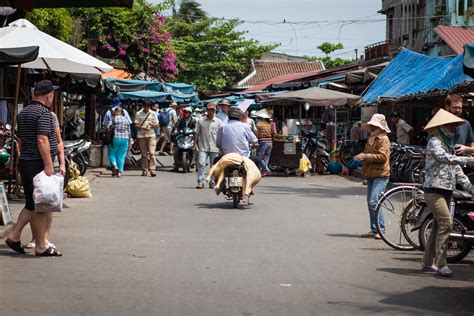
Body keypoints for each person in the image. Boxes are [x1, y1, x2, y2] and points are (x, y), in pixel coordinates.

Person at [5, 80, 62, 256]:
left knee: (31, 203)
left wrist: (20, 160)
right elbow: (42, 139)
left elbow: (20, 140)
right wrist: (48, 165)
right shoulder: (44, 113)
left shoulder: (23, 113)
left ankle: (14, 236)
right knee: (40, 205)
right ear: (49, 95)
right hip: (38, 163)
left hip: (26, 162)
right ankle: (41, 246)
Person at [421, 109, 474, 277]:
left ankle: (427, 263)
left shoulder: (449, 145)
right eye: (451, 126)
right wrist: (468, 158)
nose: (454, 129)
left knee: (438, 227)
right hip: (433, 190)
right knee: (446, 224)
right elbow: (444, 158)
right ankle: (441, 263)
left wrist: (471, 188)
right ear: (444, 126)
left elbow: (456, 169)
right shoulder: (435, 142)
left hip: (446, 189)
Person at [25, 111, 65, 250]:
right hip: (34, 163)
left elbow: (59, 141)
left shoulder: (51, 116)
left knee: (49, 203)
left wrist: (62, 163)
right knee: (35, 203)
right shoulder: (28, 116)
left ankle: (45, 238)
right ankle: (36, 238)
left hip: (50, 164)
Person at [354, 114, 391, 240]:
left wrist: (365, 156)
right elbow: (368, 154)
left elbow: (383, 157)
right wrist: (362, 156)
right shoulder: (372, 138)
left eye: (375, 125)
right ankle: (374, 229)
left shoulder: (383, 139)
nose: (372, 126)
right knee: (370, 203)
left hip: (381, 174)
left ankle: (381, 229)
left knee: (374, 202)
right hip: (371, 173)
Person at [194, 102, 223, 189]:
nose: (211, 112)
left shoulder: (219, 122)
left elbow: (222, 134)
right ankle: (200, 182)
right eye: (209, 110)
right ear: (206, 110)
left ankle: (212, 182)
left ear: (214, 111)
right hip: (203, 146)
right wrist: (194, 144)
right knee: (201, 163)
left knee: (213, 166)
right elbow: (196, 133)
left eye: (212, 110)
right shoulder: (201, 121)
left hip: (215, 147)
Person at [135, 100, 158, 177]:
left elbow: (157, 124)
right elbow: (136, 124)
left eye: (148, 107)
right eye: (145, 106)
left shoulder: (153, 113)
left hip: (151, 135)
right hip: (141, 136)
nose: (146, 108)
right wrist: (142, 127)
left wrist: (152, 124)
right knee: (144, 154)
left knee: (152, 153)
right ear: (143, 106)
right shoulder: (138, 113)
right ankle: (145, 170)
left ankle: (152, 170)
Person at [108, 107, 131, 178]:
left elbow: (109, 128)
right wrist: (130, 142)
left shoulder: (113, 119)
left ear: (115, 112)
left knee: (111, 153)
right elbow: (129, 132)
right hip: (125, 139)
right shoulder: (126, 120)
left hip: (115, 138)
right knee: (121, 156)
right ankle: (119, 172)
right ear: (121, 112)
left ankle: (115, 166)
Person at [173, 107, 197, 172]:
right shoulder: (181, 119)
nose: (186, 113)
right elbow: (177, 126)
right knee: (176, 150)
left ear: (190, 113)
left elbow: (195, 127)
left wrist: (195, 130)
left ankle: (197, 164)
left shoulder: (194, 120)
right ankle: (176, 165)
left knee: (196, 149)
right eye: (185, 112)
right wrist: (175, 130)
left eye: (187, 112)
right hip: (182, 136)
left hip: (190, 137)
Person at [255, 110, 277, 176]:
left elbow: (256, 134)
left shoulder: (258, 124)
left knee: (259, 157)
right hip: (270, 142)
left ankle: (266, 169)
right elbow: (275, 133)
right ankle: (264, 171)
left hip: (262, 142)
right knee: (266, 157)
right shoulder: (271, 124)